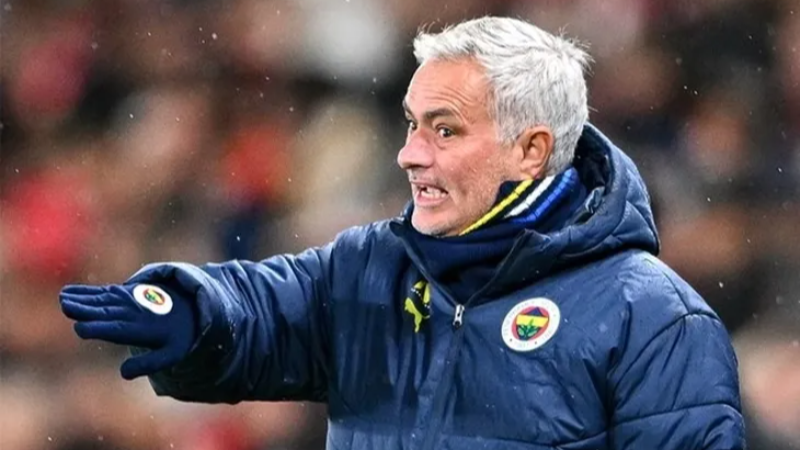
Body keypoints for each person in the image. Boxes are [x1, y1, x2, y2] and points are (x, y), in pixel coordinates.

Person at [59, 16, 745, 449]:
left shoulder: (654, 319)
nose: (409, 154)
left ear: (531, 150)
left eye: (444, 131)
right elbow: (260, 310)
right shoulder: (370, 266)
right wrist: (188, 311)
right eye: (412, 125)